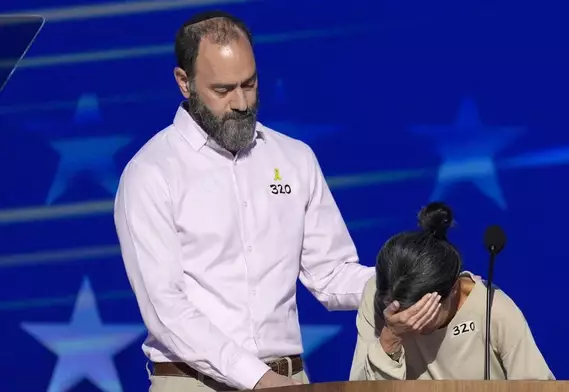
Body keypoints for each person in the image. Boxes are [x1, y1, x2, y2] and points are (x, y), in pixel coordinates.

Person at [113, 10, 374, 392]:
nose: (240, 102)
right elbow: (165, 309)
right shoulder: (151, 173)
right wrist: (258, 378)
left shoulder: (294, 158)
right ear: (183, 82)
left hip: (289, 380)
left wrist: (406, 284)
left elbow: (332, 275)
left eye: (249, 84)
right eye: (222, 90)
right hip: (194, 383)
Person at [349, 202, 554, 381]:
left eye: (421, 313)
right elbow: (358, 387)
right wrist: (391, 337)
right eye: (397, 312)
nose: (408, 321)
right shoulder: (375, 294)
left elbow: (535, 384)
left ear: (454, 289)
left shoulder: (494, 310)